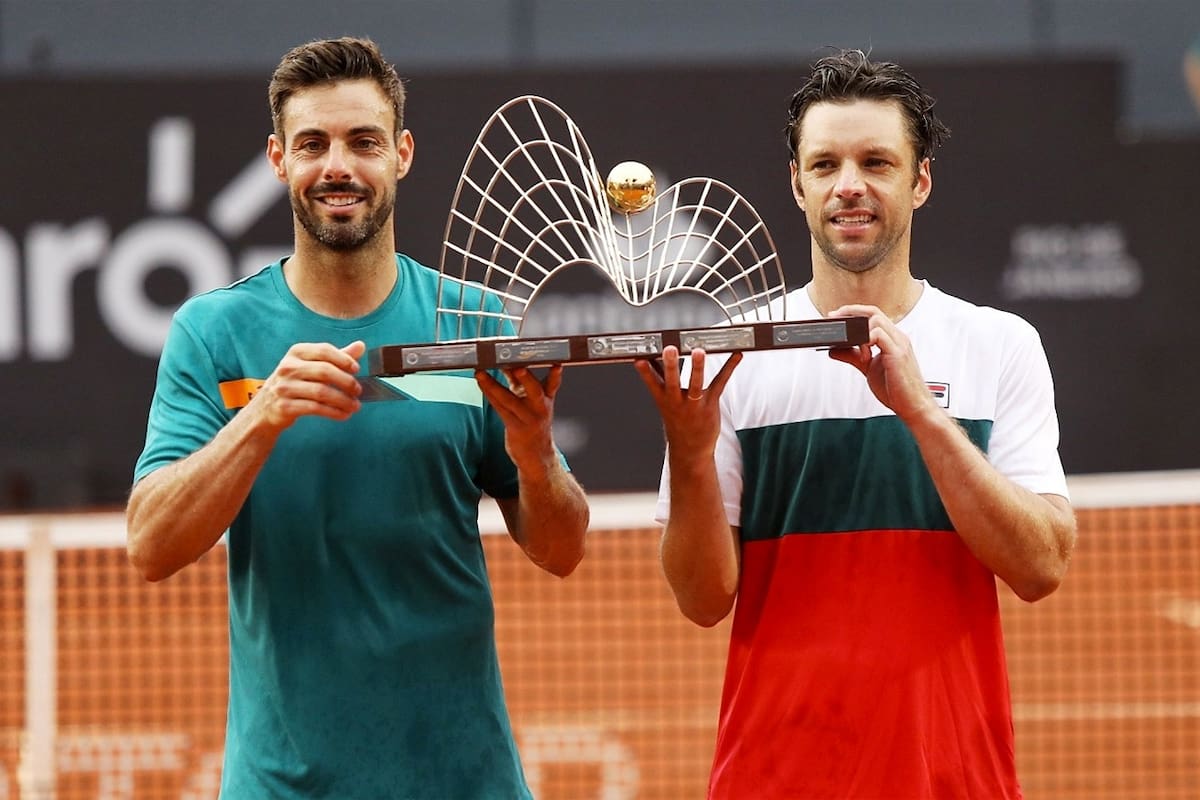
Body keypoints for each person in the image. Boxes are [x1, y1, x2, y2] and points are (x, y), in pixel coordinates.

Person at [125, 36, 588, 799]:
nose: (337, 165)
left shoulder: (473, 321)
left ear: (401, 154)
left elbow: (562, 549)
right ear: (278, 160)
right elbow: (149, 545)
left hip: (464, 781)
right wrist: (264, 415)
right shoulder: (214, 334)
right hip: (283, 785)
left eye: (362, 142)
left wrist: (535, 451)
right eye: (313, 144)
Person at [634, 49, 1076, 799]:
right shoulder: (737, 354)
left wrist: (921, 412)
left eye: (877, 161)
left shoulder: (999, 344)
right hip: (774, 776)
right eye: (825, 164)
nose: (850, 186)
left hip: (951, 776)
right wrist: (691, 445)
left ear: (920, 180)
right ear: (797, 185)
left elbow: (1041, 567)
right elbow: (703, 600)